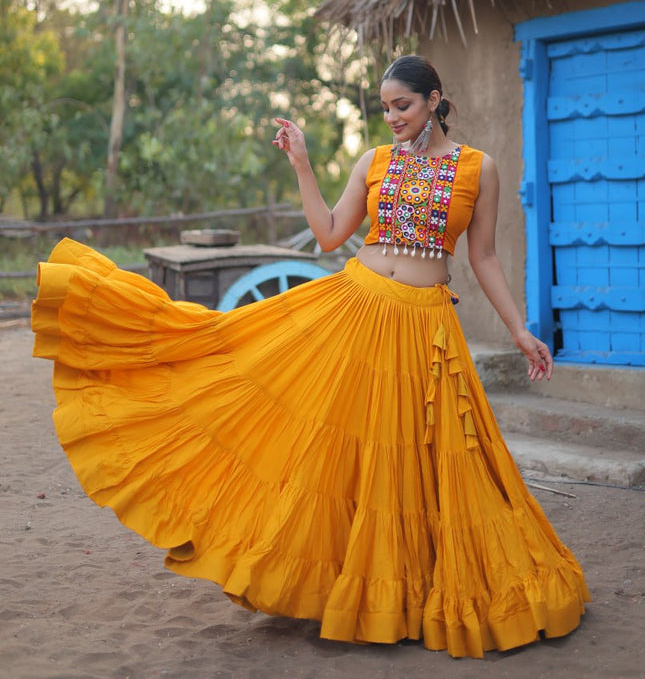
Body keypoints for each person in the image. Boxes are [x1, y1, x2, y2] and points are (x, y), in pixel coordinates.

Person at [32, 54, 589, 660]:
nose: (392, 118)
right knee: (332, 449)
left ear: (435, 99)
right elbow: (328, 233)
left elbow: (483, 259)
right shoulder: (374, 162)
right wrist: (302, 164)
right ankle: (342, 588)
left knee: (419, 463)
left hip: (425, 326)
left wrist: (519, 330)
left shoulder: (481, 168)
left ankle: (403, 592)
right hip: (357, 308)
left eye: (402, 105)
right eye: (384, 108)